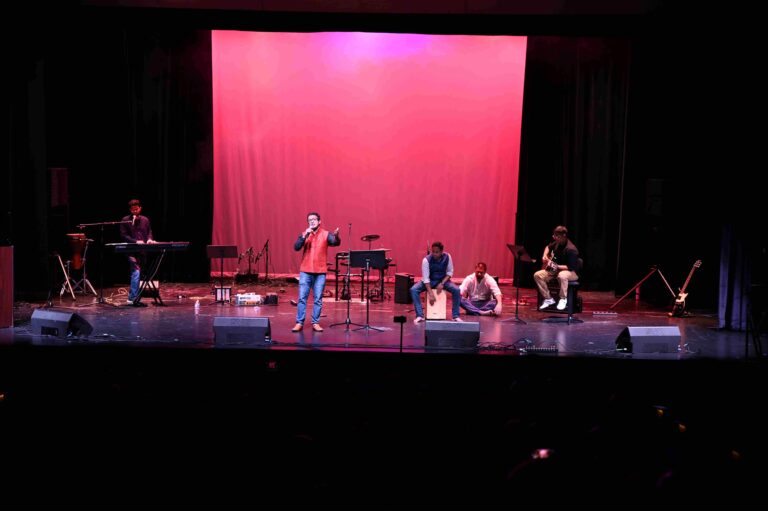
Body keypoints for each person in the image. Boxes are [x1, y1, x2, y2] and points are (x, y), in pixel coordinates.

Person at [292, 212, 340, 332]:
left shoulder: (326, 234)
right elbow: (296, 247)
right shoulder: (305, 234)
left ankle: (315, 322)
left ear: (319, 221)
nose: (312, 221)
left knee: (318, 299)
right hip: (305, 271)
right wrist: (304, 236)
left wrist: (337, 236)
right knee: (302, 298)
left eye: (314, 219)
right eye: (309, 220)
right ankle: (299, 323)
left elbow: (335, 242)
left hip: (320, 272)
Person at [410, 241, 463, 324]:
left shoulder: (447, 257)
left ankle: (456, 316)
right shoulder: (426, 260)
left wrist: (442, 283)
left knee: (456, 290)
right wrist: (431, 294)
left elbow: (450, 272)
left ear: (441, 252)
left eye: (437, 252)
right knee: (414, 290)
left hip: (443, 280)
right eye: (433, 252)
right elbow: (426, 279)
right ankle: (419, 315)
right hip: (430, 281)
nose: (434, 254)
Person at [119, 199, 156, 305]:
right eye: (132, 210)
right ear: (130, 210)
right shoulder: (126, 220)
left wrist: (149, 239)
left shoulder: (145, 219)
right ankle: (132, 299)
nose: (135, 211)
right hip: (131, 250)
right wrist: (135, 241)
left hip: (143, 250)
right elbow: (124, 235)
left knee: (140, 273)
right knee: (136, 271)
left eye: (136, 209)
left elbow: (149, 231)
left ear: (140, 208)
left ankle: (134, 297)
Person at [534, 225, 579, 311]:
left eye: (557, 236)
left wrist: (556, 266)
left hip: (571, 272)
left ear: (564, 236)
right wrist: (544, 255)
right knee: (538, 275)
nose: (554, 238)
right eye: (554, 236)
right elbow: (548, 247)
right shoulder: (557, 243)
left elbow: (570, 267)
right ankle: (548, 299)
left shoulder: (571, 249)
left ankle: (563, 299)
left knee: (562, 275)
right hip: (556, 269)